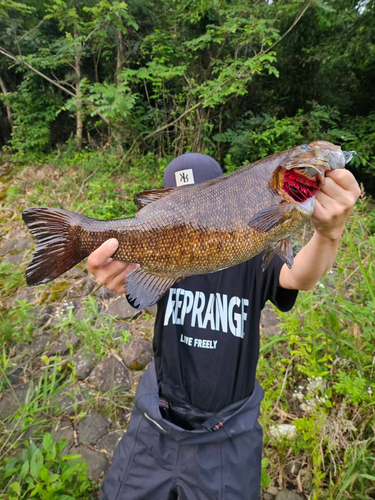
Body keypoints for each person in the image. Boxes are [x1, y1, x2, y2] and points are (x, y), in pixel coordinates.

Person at [87, 152, 360, 500]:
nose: (190, 213)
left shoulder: (254, 246)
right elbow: (137, 287)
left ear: (226, 193)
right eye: (176, 203)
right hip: (155, 418)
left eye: (200, 199)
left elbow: (299, 275)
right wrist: (118, 274)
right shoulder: (164, 254)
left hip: (230, 430)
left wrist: (329, 235)